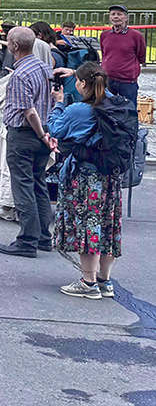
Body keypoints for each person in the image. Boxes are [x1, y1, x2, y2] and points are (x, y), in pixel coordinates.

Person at [49, 64, 134, 299]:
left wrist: (57, 103)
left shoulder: (78, 109)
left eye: (77, 80)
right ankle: (104, 281)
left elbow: (55, 128)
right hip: (110, 176)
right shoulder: (115, 104)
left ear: (83, 84)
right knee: (107, 226)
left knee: (88, 228)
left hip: (85, 177)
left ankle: (88, 282)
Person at [0, 26, 58, 259]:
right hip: (42, 133)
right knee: (38, 183)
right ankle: (43, 236)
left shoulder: (21, 74)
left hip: (25, 134)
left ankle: (27, 240)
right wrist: (45, 134)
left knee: (22, 186)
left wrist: (41, 133)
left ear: (14, 46)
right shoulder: (43, 67)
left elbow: (28, 111)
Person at [99, 4, 144, 102]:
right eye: (113, 14)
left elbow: (141, 56)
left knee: (129, 110)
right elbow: (105, 54)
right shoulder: (104, 35)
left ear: (126, 18)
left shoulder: (136, 36)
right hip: (108, 79)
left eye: (119, 14)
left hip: (127, 81)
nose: (115, 17)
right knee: (108, 108)